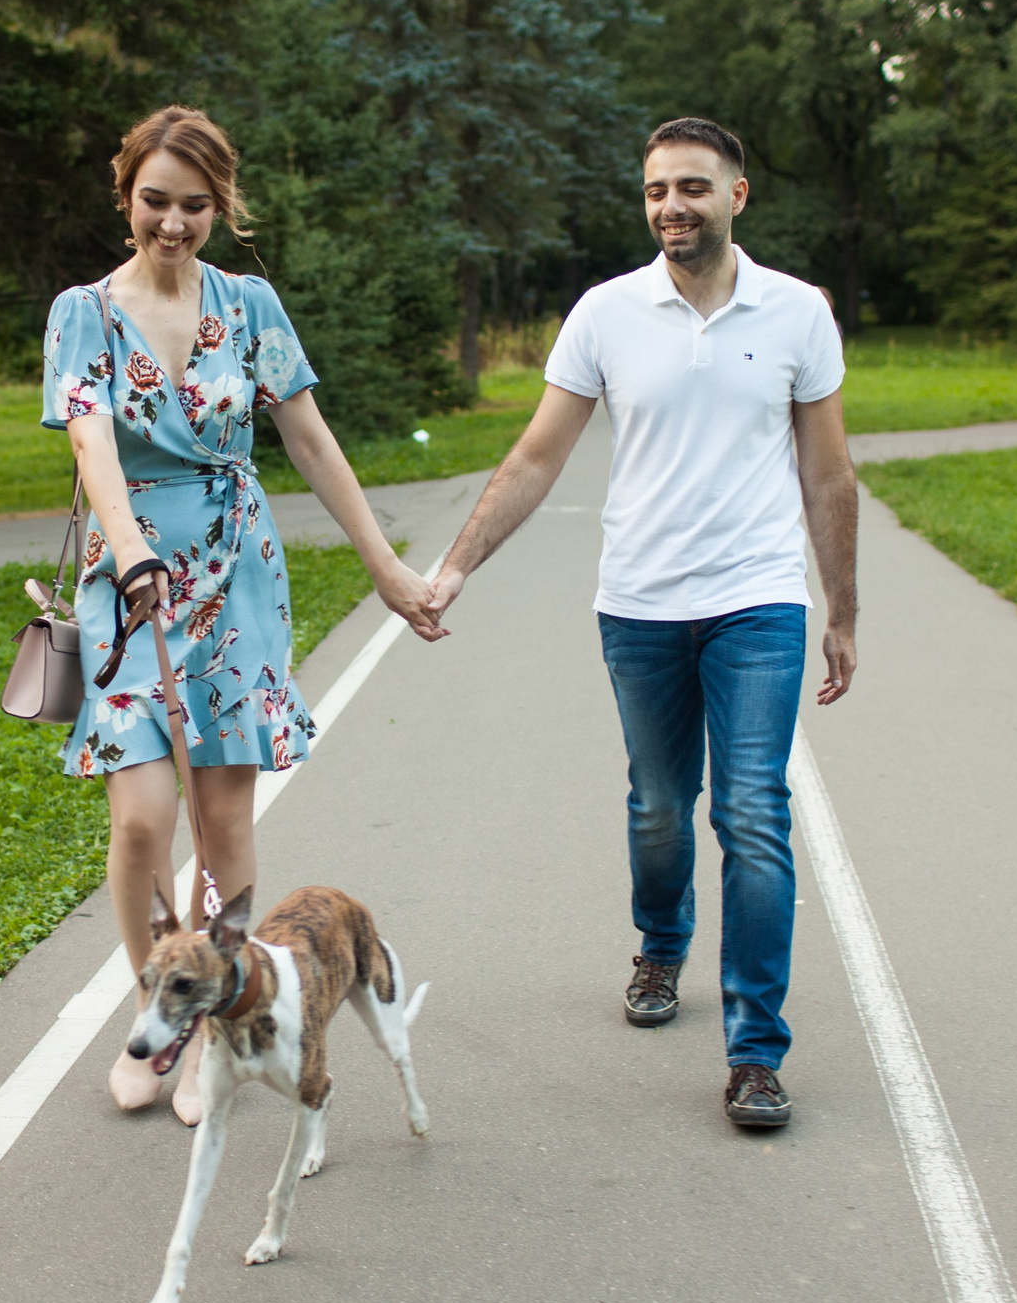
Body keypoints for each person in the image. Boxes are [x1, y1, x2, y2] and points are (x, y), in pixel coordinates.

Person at [416, 117, 860, 1130]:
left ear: (736, 196)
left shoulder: (797, 314)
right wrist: (454, 567)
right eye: (657, 190)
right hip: (641, 606)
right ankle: (660, 943)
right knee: (660, 807)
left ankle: (754, 1052)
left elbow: (827, 471)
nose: (672, 207)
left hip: (757, 601)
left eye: (693, 188)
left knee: (751, 814)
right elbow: (535, 457)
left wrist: (843, 607)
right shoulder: (605, 314)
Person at [44, 105, 438, 1123]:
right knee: (141, 822)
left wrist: (386, 567)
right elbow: (90, 445)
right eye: (153, 202)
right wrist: (130, 554)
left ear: (220, 206)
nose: (171, 223)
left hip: (234, 572)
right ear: (124, 193)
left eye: (193, 206)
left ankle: (220, 1022)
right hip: (128, 581)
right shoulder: (81, 311)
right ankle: (155, 1016)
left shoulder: (250, 305)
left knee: (224, 824)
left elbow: (307, 438)